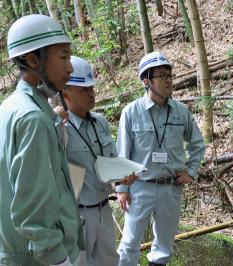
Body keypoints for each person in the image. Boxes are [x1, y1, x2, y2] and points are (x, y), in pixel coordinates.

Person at [0, 14, 84, 266]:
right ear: (33, 59)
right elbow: (32, 210)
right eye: (63, 57)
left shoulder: (10, 107)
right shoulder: (33, 118)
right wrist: (59, 260)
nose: (70, 67)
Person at [116, 51, 206, 266]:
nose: (168, 81)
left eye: (170, 76)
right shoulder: (131, 112)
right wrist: (121, 189)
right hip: (140, 187)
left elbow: (197, 144)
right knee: (129, 244)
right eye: (162, 76)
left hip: (170, 188)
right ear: (146, 81)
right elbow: (122, 153)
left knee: (164, 245)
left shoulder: (181, 111)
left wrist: (191, 172)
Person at [61, 56, 137, 266]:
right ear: (65, 92)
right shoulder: (59, 127)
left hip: (104, 208)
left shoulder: (99, 122)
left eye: (91, 88)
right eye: (84, 89)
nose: (91, 93)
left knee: (109, 261)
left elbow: (113, 160)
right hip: (78, 214)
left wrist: (124, 178)